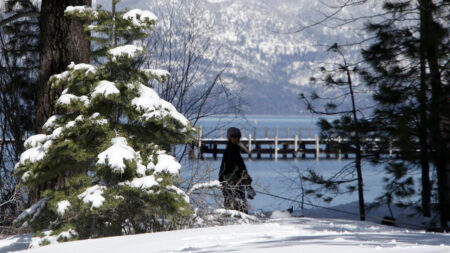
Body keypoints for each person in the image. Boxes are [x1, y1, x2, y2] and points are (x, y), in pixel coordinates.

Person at [218, 127, 256, 213]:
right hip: (232, 182)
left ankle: (239, 217)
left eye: (239, 136)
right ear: (229, 137)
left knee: (239, 203)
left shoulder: (235, 150)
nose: (237, 138)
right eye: (234, 136)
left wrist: (247, 178)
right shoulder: (230, 151)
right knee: (234, 203)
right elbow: (230, 169)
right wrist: (242, 178)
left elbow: (241, 167)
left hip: (238, 181)